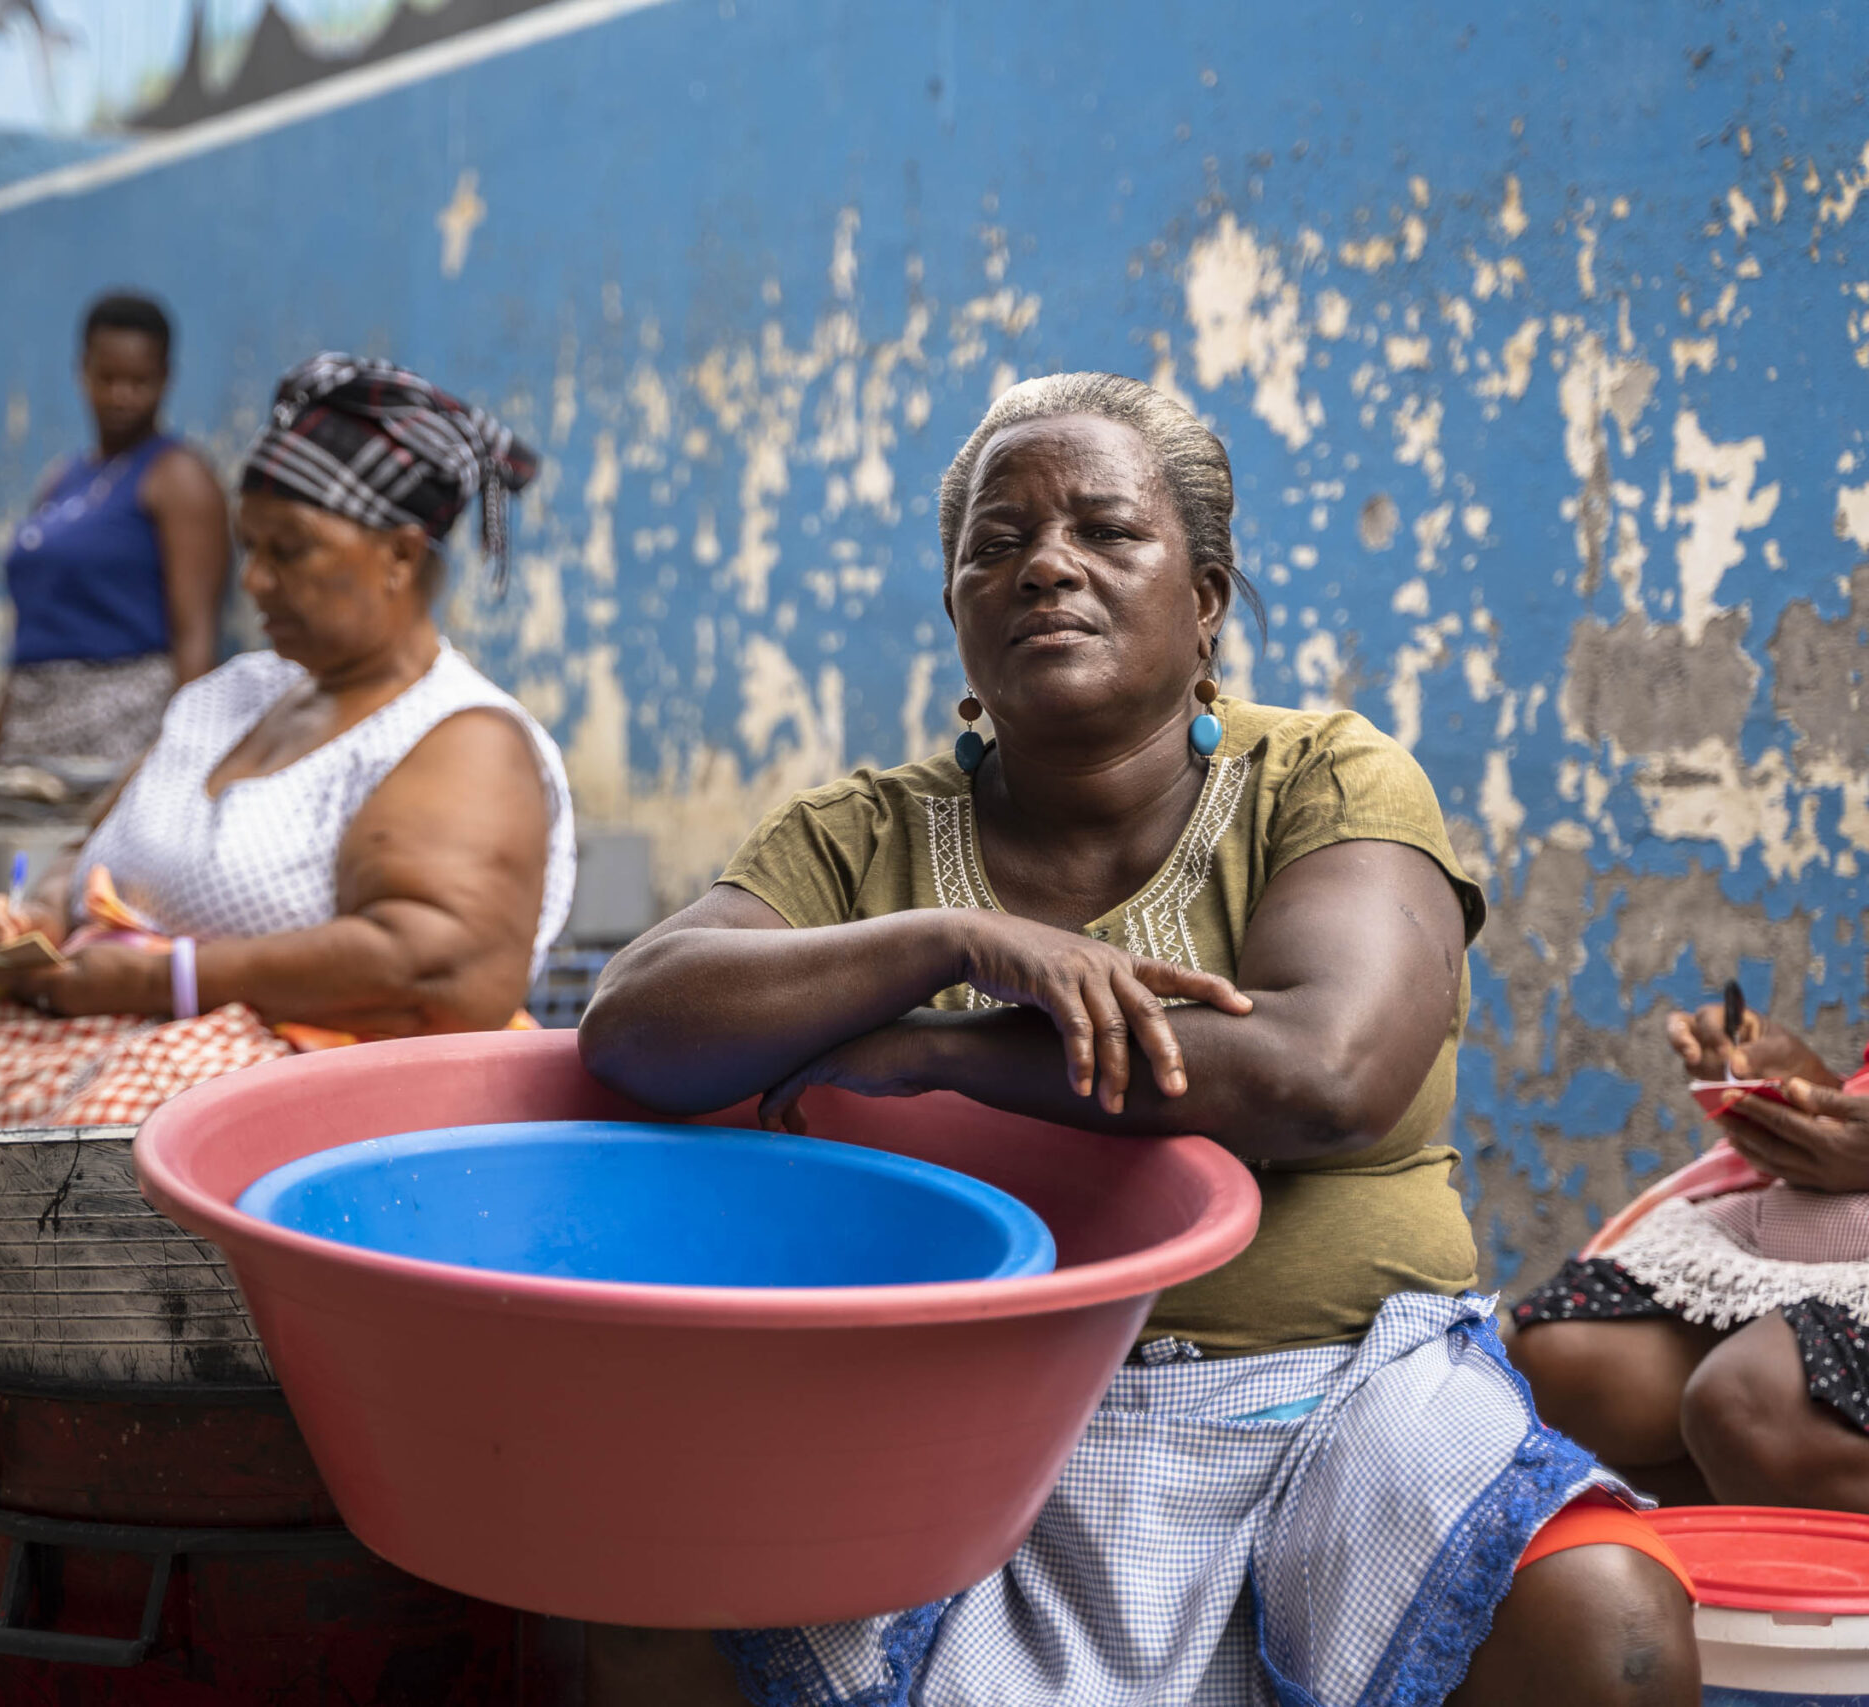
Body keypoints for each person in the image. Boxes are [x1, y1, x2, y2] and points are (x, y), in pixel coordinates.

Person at [572, 373, 1696, 1707]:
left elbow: (1324, 1075)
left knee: (1606, 1625)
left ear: (1206, 596)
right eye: (997, 547)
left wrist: (941, 1051)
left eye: (1107, 533)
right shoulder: (863, 834)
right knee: (645, 1615)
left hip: (1329, 1403)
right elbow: (636, 1026)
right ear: (958, 613)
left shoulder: (1323, 778)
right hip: (944, 1416)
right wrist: (947, 941)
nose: (1046, 565)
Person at [0, 352, 571, 1316]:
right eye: (249, 546)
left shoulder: (457, 738)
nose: (256, 580)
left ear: (399, 554)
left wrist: (161, 980)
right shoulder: (232, 698)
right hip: (90, 1038)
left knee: (55, 1203)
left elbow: (438, 969)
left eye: (291, 550)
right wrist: (39, 911)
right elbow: (96, 851)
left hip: (300, 1115)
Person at [1510, 1005, 1869, 1513]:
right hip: (1834, 1210)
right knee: (1556, 1359)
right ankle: (1736, 1550)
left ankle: (1790, 1558)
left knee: (1746, 1403)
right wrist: (1809, 1094)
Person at [0, 290, 230, 775]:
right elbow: (28, 631)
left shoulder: (177, 477)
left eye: (140, 382)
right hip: (30, 731)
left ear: (166, 379)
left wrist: (182, 767)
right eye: (108, 378)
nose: (122, 396)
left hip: (118, 735)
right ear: (83, 371)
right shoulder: (61, 479)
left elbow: (195, 635)